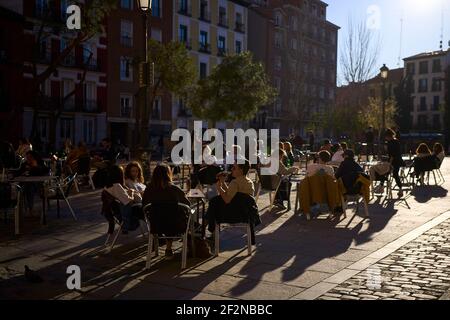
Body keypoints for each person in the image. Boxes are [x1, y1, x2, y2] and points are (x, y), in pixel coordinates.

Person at [142, 164, 191, 257]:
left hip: (155, 223)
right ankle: (169, 248)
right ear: (168, 174)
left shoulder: (149, 188)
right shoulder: (174, 189)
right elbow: (187, 204)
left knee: (165, 215)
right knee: (175, 215)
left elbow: (144, 204)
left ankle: (159, 245)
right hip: (175, 224)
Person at [105, 165, 142, 234]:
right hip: (125, 215)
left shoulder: (108, 186)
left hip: (118, 211)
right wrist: (132, 192)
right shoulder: (116, 186)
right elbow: (129, 202)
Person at [15, 150, 49, 216]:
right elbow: (18, 172)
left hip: (38, 184)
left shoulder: (39, 163)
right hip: (25, 183)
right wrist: (22, 173)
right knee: (19, 188)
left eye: (30, 157)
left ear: (34, 157)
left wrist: (35, 166)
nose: (28, 159)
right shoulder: (25, 164)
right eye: (27, 157)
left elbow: (45, 171)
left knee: (29, 188)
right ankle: (19, 209)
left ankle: (30, 209)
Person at [385, 129, 405, 197]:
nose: (385, 138)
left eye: (386, 136)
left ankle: (382, 187)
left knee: (391, 174)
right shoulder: (396, 141)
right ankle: (400, 189)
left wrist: (390, 163)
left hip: (394, 161)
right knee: (394, 174)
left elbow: (392, 154)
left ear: (388, 136)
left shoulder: (390, 143)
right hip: (399, 160)